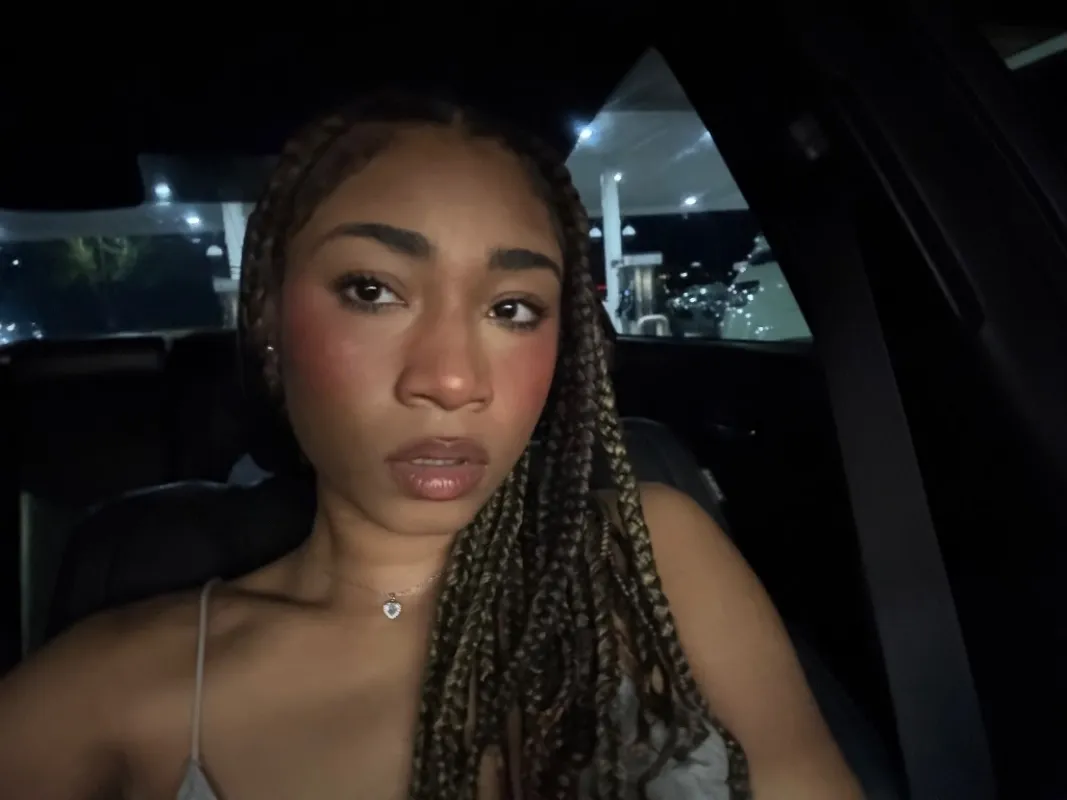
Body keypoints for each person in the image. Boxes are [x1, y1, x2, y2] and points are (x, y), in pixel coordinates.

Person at [0, 94, 863, 800]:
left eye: (512, 308)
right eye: (373, 290)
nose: (451, 381)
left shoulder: (649, 558)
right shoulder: (113, 692)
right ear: (267, 317)